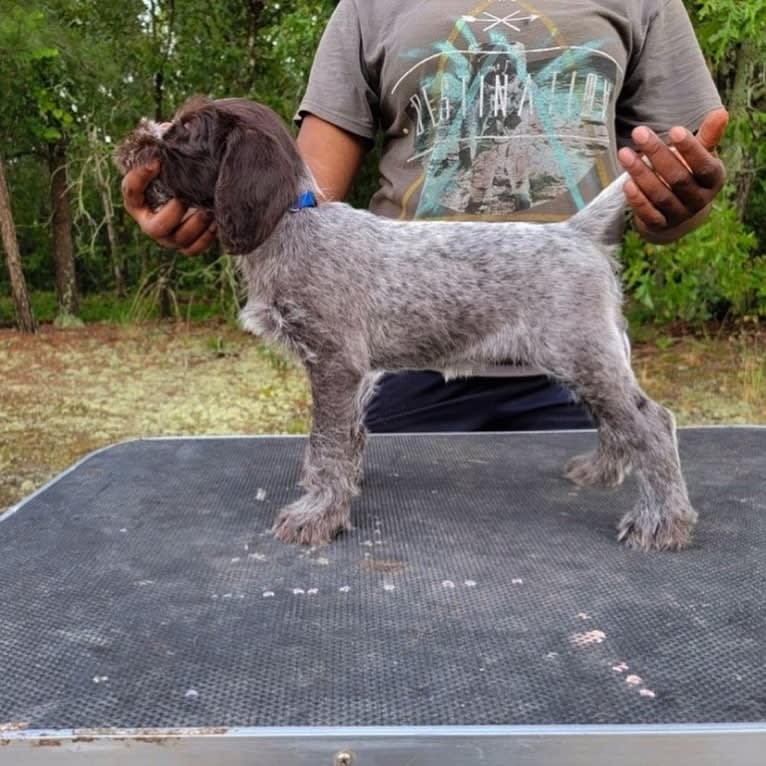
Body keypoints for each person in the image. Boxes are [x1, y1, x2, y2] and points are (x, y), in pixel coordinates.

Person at [122, 0, 728, 432]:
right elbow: (302, 201)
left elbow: (673, 176)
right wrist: (211, 200)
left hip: (566, 331)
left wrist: (679, 204)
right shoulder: (365, 6)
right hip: (408, 362)